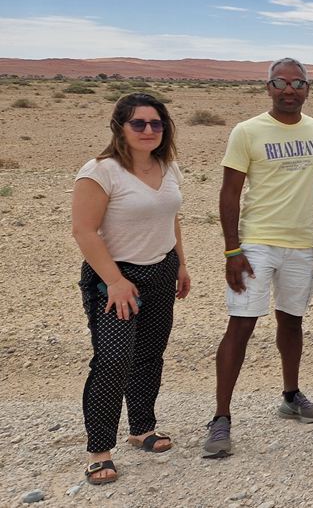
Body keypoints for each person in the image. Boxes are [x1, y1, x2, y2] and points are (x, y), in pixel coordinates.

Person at [204, 57, 313, 457]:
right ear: (268, 88)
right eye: (280, 83)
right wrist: (232, 249)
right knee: (242, 323)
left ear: (308, 89)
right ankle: (221, 418)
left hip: (301, 244)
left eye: (297, 83)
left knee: (292, 321)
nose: (289, 90)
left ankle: (291, 396)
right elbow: (230, 193)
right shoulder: (247, 131)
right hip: (256, 243)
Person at [71, 93, 191, 485]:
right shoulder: (100, 171)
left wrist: (181, 263)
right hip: (115, 277)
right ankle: (99, 450)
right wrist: (115, 281)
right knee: (113, 360)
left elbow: (171, 217)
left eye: (156, 123)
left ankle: (142, 428)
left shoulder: (167, 166)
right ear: (120, 127)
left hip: (162, 270)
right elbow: (84, 231)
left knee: (149, 355)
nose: (148, 130)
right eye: (138, 123)